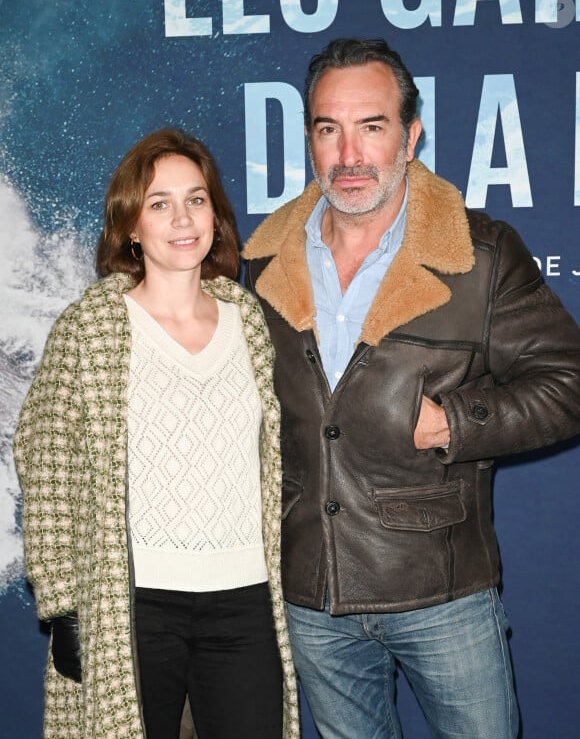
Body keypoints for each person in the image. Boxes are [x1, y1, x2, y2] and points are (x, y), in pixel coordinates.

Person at [242, 37, 580, 739]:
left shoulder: (479, 254)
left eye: (372, 126)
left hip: (441, 588)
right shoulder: (262, 261)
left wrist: (457, 421)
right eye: (328, 129)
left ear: (410, 135)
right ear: (309, 138)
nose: (349, 154)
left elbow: (569, 381)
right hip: (314, 593)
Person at [14, 128, 300, 739]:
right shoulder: (91, 327)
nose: (182, 219)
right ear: (130, 227)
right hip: (134, 605)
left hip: (244, 596)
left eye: (196, 200)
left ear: (217, 217)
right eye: (159, 203)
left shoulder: (247, 320)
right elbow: (46, 462)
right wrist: (64, 602)